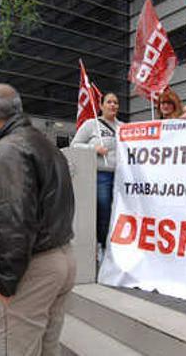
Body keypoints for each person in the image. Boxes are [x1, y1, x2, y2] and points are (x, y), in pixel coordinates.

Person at [0, 84, 76, 356]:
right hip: (61, 256)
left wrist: (7, 280)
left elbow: (14, 220)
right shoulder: (42, 141)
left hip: (34, 266)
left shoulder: (8, 150)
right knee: (47, 348)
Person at [71, 93, 122, 255]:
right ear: (101, 106)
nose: (112, 105)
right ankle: (102, 247)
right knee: (104, 211)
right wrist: (94, 149)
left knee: (120, 213)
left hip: (122, 178)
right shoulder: (91, 124)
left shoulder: (123, 127)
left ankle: (116, 247)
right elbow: (75, 144)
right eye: (109, 102)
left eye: (115, 102)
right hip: (101, 176)